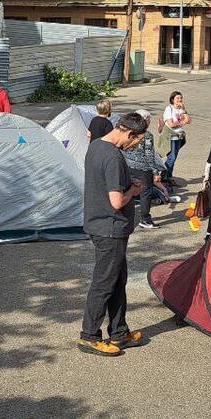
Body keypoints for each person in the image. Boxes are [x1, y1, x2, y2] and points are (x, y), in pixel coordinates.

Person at [78, 112, 150, 357]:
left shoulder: (96, 145)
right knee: (104, 282)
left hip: (101, 225)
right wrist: (134, 190)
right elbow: (117, 200)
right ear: (129, 133)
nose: (135, 146)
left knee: (118, 280)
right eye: (136, 141)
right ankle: (89, 335)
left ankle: (119, 332)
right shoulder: (113, 157)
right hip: (109, 228)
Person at [122, 109, 176, 229]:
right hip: (143, 169)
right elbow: (149, 155)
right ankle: (145, 219)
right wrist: (155, 172)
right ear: (145, 120)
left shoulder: (130, 132)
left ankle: (127, 217)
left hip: (129, 166)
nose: (150, 121)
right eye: (149, 119)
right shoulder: (147, 135)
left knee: (129, 192)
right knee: (145, 194)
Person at [160, 91, 191, 182]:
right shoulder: (169, 109)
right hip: (171, 136)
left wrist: (184, 111)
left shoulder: (180, 109)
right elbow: (171, 124)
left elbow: (189, 121)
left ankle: (168, 177)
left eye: (181, 98)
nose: (180, 100)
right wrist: (182, 122)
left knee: (173, 158)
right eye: (177, 98)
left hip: (179, 136)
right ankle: (164, 177)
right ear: (172, 99)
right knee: (171, 158)